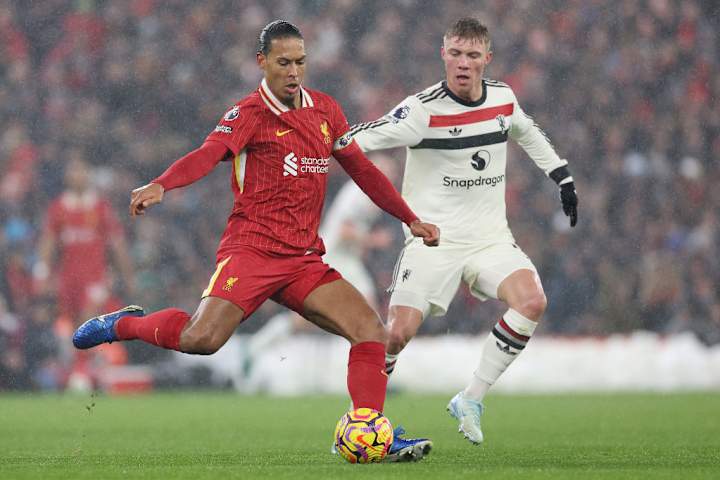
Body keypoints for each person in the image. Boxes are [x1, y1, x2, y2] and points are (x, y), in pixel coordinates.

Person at [72, 20, 439, 462]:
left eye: (301, 62)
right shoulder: (248, 114)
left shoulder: (325, 111)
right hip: (251, 253)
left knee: (371, 332)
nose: (293, 71)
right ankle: (123, 324)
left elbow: (361, 169)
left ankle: (368, 430)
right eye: (283, 62)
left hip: (303, 259)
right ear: (262, 62)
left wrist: (410, 218)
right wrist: (162, 185)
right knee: (201, 340)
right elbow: (207, 155)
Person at [350, 17, 578, 444]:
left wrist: (561, 176)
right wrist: (310, 144)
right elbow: (362, 137)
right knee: (396, 333)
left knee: (531, 301)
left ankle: (471, 398)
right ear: (443, 54)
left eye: (472, 55)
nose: (463, 63)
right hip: (431, 239)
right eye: (455, 53)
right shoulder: (421, 111)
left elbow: (529, 134)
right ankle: (361, 423)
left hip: (489, 238)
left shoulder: (503, 99)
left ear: (486, 59)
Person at [235, 153, 398, 393]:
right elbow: (344, 231)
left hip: (342, 257)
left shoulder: (362, 192)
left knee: (309, 320)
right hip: (336, 257)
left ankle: (256, 346)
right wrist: (374, 241)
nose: (391, 181)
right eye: (389, 175)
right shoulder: (360, 195)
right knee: (368, 315)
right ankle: (376, 377)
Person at [35, 151, 136, 388]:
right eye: (73, 170)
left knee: (85, 320)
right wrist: (41, 271)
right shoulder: (59, 207)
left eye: (81, 170)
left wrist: (127, 275)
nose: (77, 175)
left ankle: (80, 374)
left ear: (88, 175)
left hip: (95, 277)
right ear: (67, 176)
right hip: (68, 277)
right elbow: (48, 241)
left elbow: (116, 243)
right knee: (70, 325)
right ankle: (84, 369)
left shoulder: (100, 207)